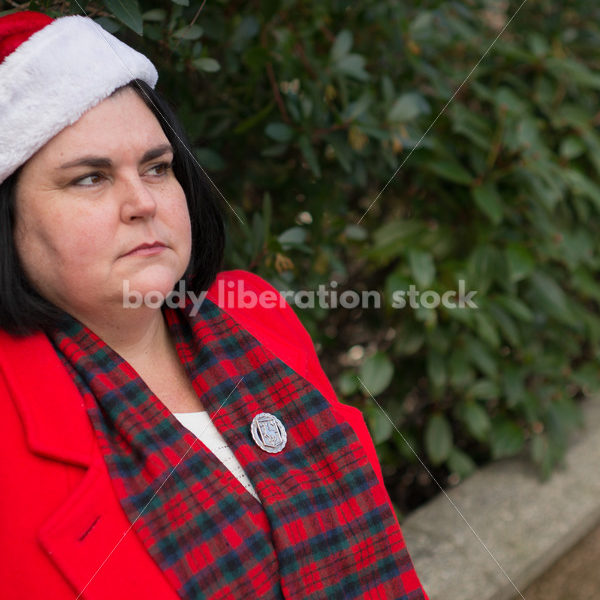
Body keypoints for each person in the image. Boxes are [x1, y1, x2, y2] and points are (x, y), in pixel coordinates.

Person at [0, 10, 427, 600]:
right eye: (90, 179)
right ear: (10, 219)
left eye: (157, 167)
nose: (142, 202)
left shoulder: (252, 311)